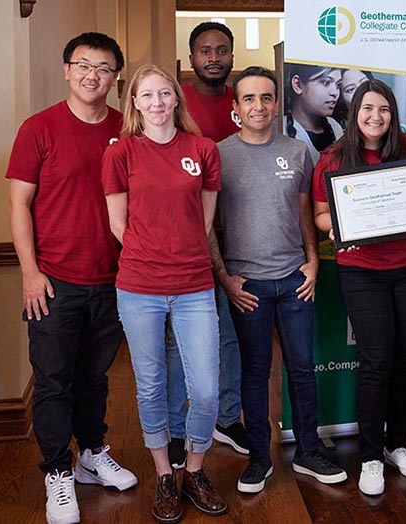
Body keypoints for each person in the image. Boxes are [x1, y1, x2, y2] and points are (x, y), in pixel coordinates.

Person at [6, 32, 137, 524]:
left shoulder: (128, 130)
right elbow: (19, 203)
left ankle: (92, 454)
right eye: (83, 65)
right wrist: (30, 272)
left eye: (104, 68)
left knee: (94, 377)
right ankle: (57, 473)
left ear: (115, 78)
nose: (92, 75)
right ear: (66, 70)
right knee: (54, 381)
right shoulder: (38, 128)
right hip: (53, 281)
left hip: (114, 278)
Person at [210, 66, 347, 494]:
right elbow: (207, 226)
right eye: (249, 99)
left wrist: (313, 262)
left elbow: (305, 212)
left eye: (266, 98)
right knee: (254, 373)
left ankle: (308, 452)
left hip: (294, 280)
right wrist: (226, 278)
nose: (258, 106)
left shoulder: (299, 152)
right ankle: (257, 459)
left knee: (302, 369)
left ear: (277, 103)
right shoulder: (218, 154)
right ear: (235, 107)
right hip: (246, 285)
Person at [102, 64, 227, 522]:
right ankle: (164, 476)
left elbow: (205, 219)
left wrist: (180, 253)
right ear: (133, 103)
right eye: (146, 95)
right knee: (151, 385)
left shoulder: (203, 149)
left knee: (207, 390)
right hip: (139, 288)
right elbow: (119, 224)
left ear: (177, 99)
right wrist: (152, 255)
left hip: (195, 286)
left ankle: (194, 469)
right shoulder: (120, 154)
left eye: (164, 94)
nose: (156, 103)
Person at [312, 80, 406, 496]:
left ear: (393, 113)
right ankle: (371, 457)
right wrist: (335, 227)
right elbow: (319, 213)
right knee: (375, 361)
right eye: (368, 108)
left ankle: (397, 445)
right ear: (355, 112)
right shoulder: (333, 158)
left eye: (384, 109)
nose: (376, 116)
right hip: (362, 270)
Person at [173, 20, 249, 464]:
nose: (214, 57)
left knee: (234, 336)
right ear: (192, 58)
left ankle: (228, 416)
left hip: (242, 234)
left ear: (232, 57)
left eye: (222, 50)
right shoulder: (178, 105)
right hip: (191, 241)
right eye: (205, 51)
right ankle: (184, 424)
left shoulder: (246, 102)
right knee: (188, 338)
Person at [284, 64, 343, 163]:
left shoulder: (335, 127)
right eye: (326, 82)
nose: (335, 92)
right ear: (298, 85)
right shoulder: (281, 129)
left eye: (338, 85)